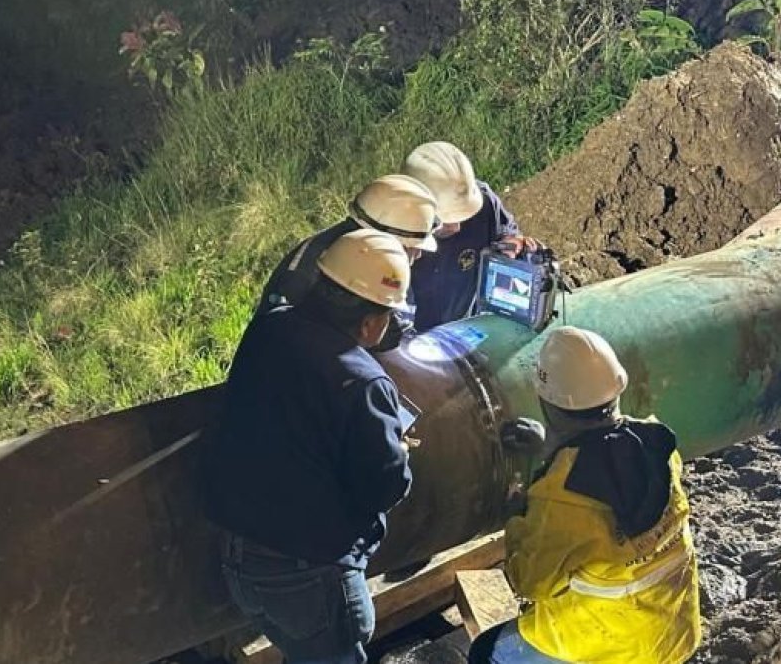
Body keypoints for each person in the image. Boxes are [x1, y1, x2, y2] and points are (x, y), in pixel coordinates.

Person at [203, 229, 416, 664]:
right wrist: (399, 451)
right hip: (308, 574)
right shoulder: (363, 381)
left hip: (238, 559)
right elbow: (384, 486)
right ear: (371, 322)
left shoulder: (270, 328)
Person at [468, 327, 702, 664]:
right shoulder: (657, 445)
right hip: (674, 631)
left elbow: (528, 583)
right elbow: (607, 456)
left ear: (546, 402)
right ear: (616, 389)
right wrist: (555, 446)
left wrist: (518, 514)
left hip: (609, 646)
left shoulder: (561, 501)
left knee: (486, 652)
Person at [400, 142, 538, 331]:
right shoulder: (392, 238)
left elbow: (507, 233)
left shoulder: (484, 202)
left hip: (467, 329)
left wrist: (510, 245)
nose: (457, 227)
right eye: (446, 219)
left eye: (463, 216)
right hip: (417, 338)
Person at [256, 174, 439, 317]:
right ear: (387, 238)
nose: (418, 255)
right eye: (412, 247)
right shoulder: (313, 269)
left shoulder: (355, 253)